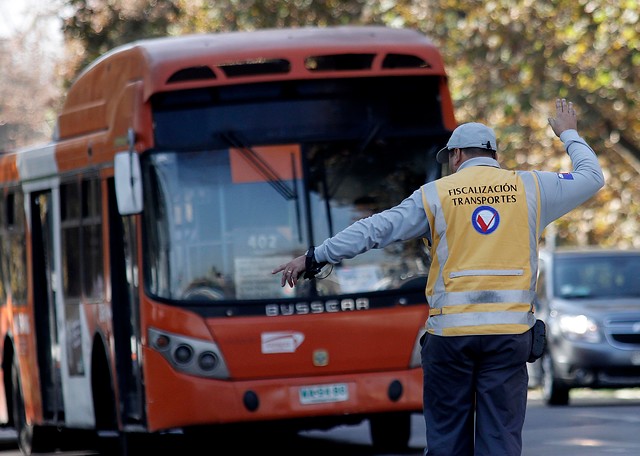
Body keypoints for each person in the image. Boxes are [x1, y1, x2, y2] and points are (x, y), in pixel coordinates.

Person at [272, 98, 605, 455]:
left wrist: (314, 256)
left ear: (456, 156)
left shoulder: (436, 195)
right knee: (501, 441)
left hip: (451, 340)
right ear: (493, 155)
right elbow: (591, 177)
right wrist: (569, 133)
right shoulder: (532, 189)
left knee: (447, 440)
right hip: (508, 338)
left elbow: (374, 229)